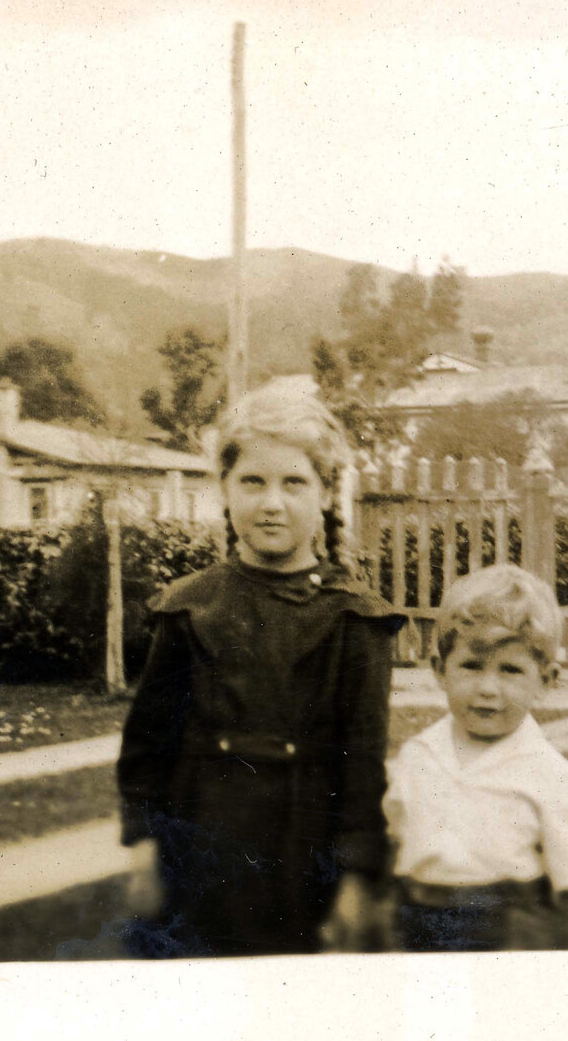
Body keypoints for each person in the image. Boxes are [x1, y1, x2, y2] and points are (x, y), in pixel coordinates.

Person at [116, 386, 404, 957]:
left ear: (326, 494)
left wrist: (354, 880)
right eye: (253, 481)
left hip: (306, 858)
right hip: (199, 852)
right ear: (223, 489)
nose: (272, 502)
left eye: (294, 483)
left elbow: (363, 766)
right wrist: (146, 851)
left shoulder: (354, 619)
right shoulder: (188, 608)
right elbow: (149, 745)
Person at [382, 564, 568, 950]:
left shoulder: (547, 771)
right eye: (471, 666)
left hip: (508, 930)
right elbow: (392, 846)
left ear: (546, 681)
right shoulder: (417, 756)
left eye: (510, 670)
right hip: (419, 924)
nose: (488, 688)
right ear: (440, 670)